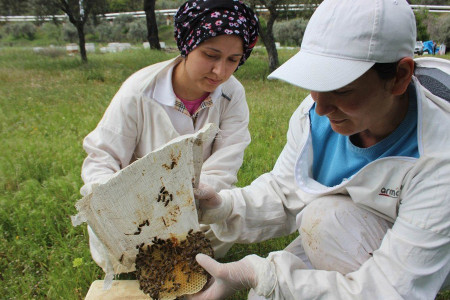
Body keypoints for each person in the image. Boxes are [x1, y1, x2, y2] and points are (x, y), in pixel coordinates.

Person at [190, 0, 450, 299]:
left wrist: (265, 275)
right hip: (355, 219)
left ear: (400, 77)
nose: (321, 107)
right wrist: (224, 207)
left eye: (341, 89)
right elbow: (286, 191)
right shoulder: (315, 113)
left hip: (434, 242)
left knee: (299, 258)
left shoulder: (439, 154)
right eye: (315, 82)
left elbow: (393, 289)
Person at [80, 0, 259, 273]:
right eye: (211, 55)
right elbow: (102, 156)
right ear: (187, 45)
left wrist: (192, 201)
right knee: (113, 241)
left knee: (228, 221)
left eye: (233, 60)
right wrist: (120, 206)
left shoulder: (232, 94)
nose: (220, 72)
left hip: (195, 204)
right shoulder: (139, 92)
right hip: (137, 207)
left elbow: (227, 159)